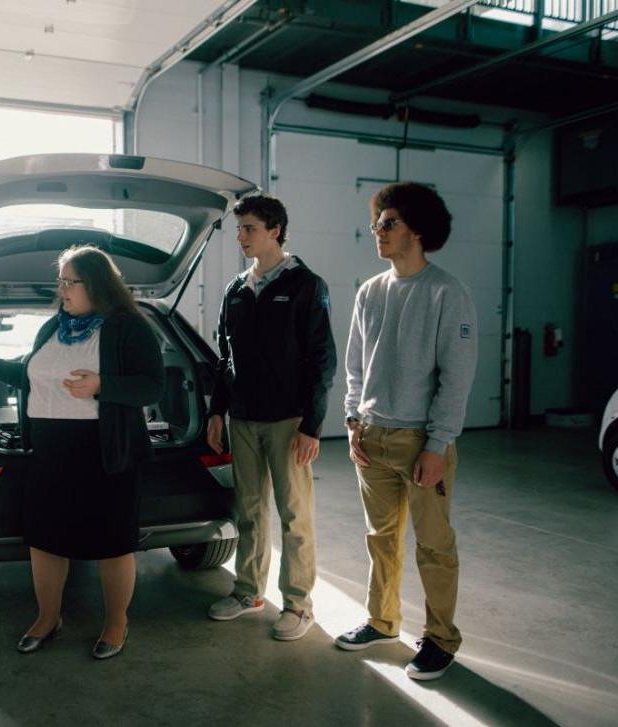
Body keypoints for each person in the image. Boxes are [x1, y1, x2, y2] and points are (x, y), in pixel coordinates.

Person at [0, 245, 164, 660]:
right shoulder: (54, 327)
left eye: (71, 281)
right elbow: (32, 374)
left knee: (111, 542)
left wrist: (104, 386)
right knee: (46, 539)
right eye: (61, 281)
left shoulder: (127, 327)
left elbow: (152, 386)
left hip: (104, 451)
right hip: (50, 450)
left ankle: (115, 623)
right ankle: (48, 617)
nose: (62, 289)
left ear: (98, 283)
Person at [336, 182, 477, 681]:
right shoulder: (370, 292)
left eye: (389, 222)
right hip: (372, 437)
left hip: (420, 443)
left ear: (417, 230)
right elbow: (355, 365)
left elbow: (456, 377)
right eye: (377, 222)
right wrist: (353, 421)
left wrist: (438, 445)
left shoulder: (446, 293)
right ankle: (381, 621)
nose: (378, 231)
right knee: (381, 539)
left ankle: (440, 639)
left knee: (434, 546)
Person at [205, 195, 336, 641]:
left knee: (294, 515)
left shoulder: (305, 285)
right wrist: (217, 410)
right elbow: (225, 357)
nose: (240, 237)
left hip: (288, 420)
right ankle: (248, 592)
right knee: (249, 510)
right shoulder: (236, 289)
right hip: (243, 418)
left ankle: (299, 606)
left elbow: (322, 360)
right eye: (239, 229)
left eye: (249, 229)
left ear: (275, 229)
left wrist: (311, 426)